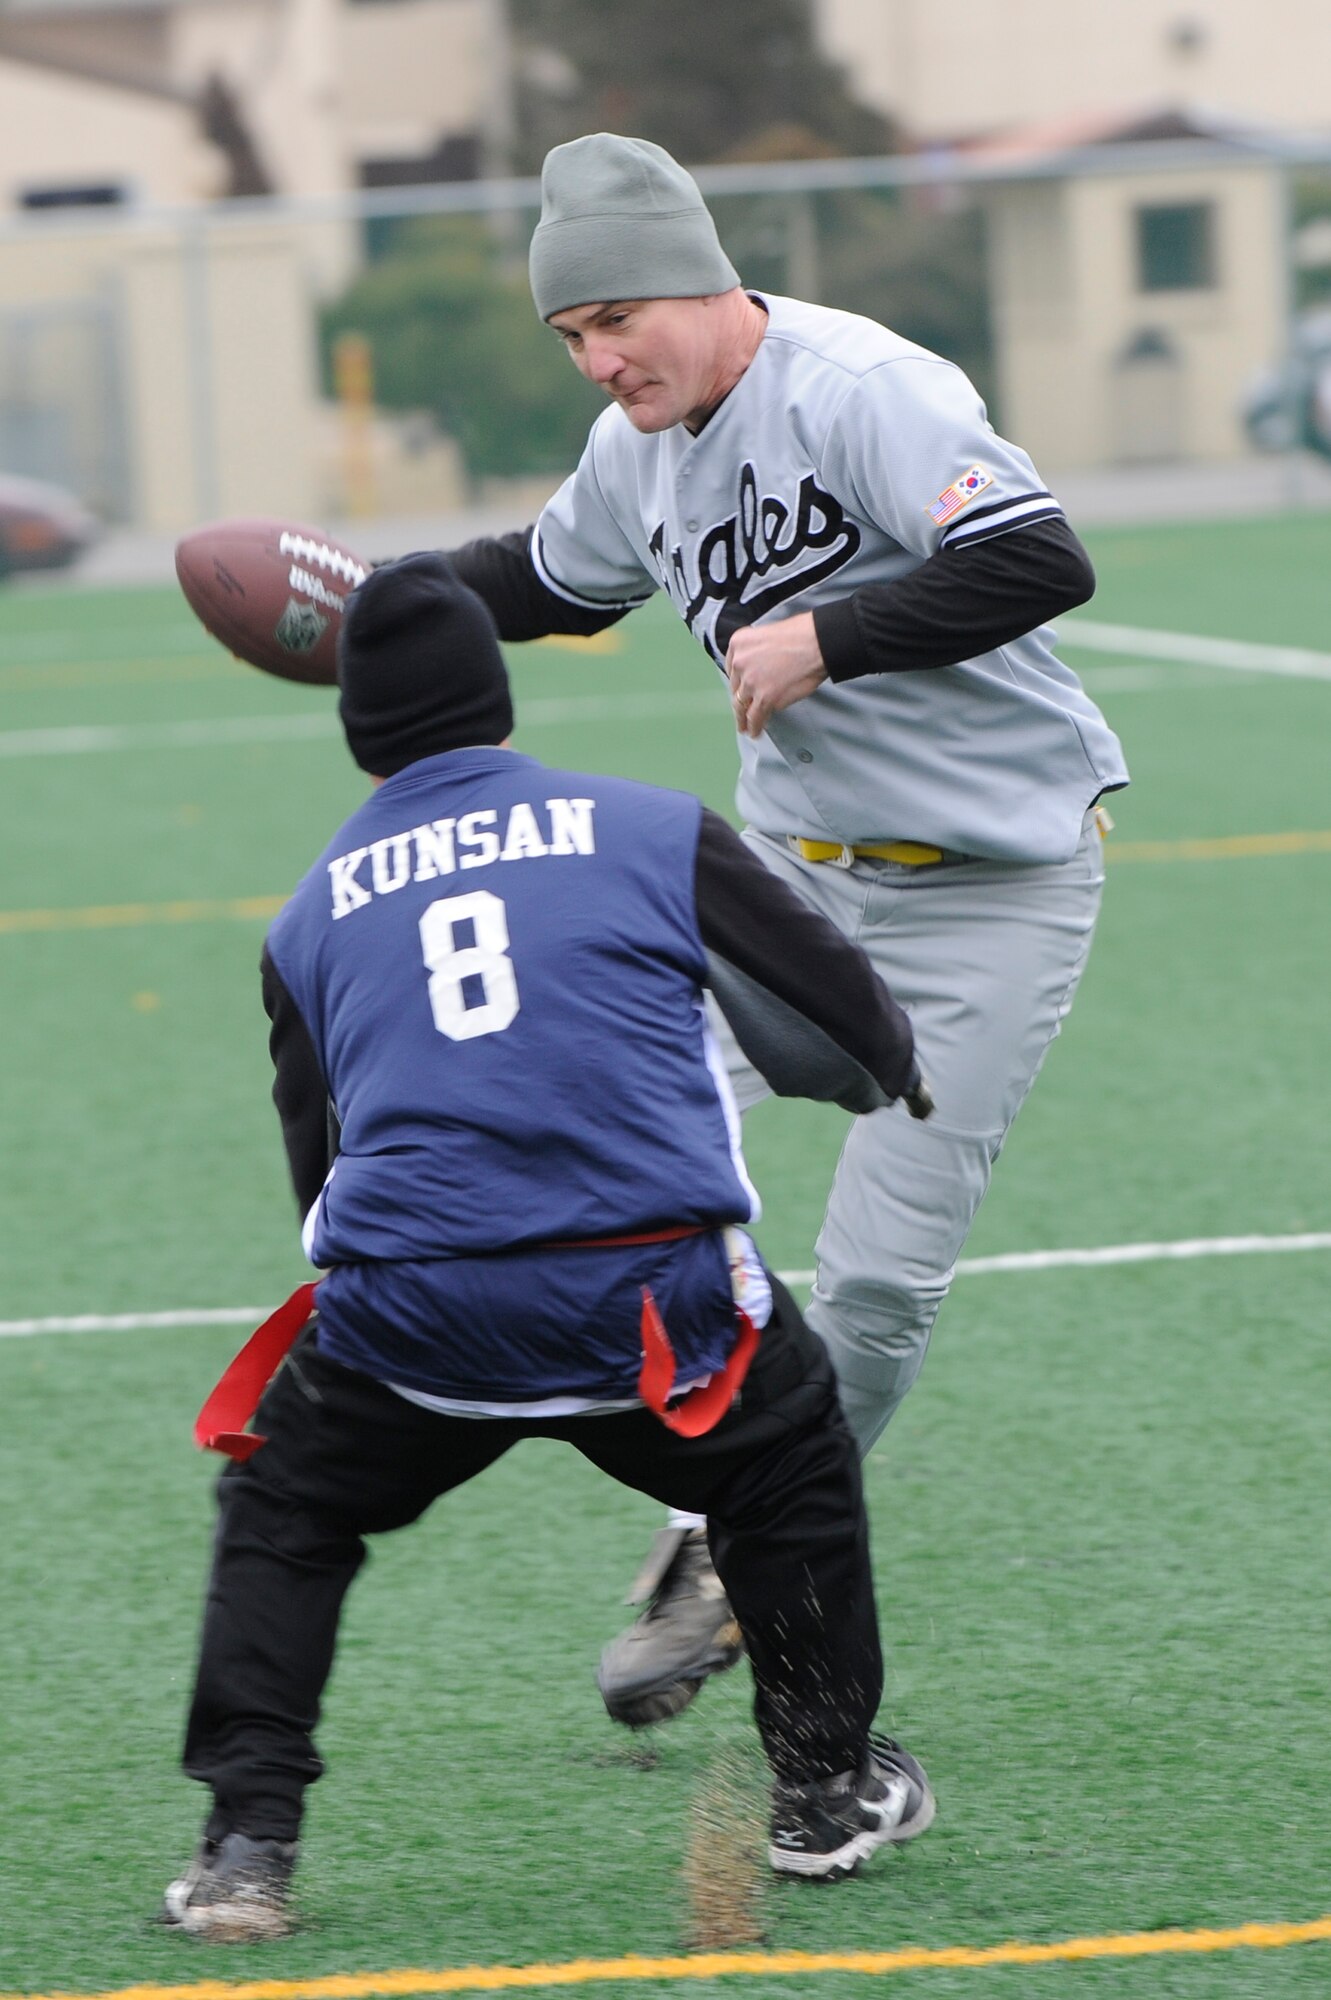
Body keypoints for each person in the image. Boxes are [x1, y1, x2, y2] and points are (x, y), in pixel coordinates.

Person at [436, 133, 1131, 1729]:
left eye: (619, 318)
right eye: (572, 336)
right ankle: (714, 1469)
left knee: (880, 1290)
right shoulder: (640, 446)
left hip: (994, 888)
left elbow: (1040, 557)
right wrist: (368, 599)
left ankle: (718, 1542)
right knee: (607, 1155)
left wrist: (832, 635)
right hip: (788, 881)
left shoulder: (860, 386)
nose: (602, 360)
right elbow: (547, 581)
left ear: (701, 275)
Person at [162, 552, 938, 1941]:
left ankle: (243, 1851)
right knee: (789, 1453)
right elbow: (836, 994)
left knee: (287, 1511)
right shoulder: (644, 827)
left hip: (412, 1315)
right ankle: (824, 1791)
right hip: (648, 1308)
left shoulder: (309, 913)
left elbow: (318, 1175)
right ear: (496, 696)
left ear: (356, 730)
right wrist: (893, 1070)